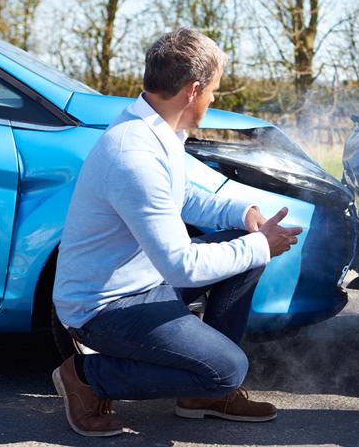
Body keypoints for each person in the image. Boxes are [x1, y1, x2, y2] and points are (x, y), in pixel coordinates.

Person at [52, 27, 302, 437]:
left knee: (241, 255)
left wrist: (245, 215)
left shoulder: (155, 131)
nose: (213, 100)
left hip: (145, 283)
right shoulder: (133, 153)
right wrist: (259, 245)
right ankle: (86, 376)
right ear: (193, 90)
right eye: (214, 91)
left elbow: (182, 197)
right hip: (104, 308)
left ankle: (202, 394)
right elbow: (181, 266)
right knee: (228, 368)